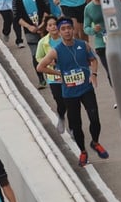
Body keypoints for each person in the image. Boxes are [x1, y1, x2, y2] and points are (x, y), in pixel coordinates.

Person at [35, 18, 107, 167]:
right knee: (76, 124)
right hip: (69, 93)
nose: (67, 31)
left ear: (73, 30)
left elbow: (94, 60)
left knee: (95, 119)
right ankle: (83, 151)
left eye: (69, 28)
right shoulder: (56, 51)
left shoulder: (83, 45)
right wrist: (58, 74)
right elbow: (40, 67)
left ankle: (95, 142)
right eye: (63, 29)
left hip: (86, 89)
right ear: (60, 32)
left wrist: (93, 74)